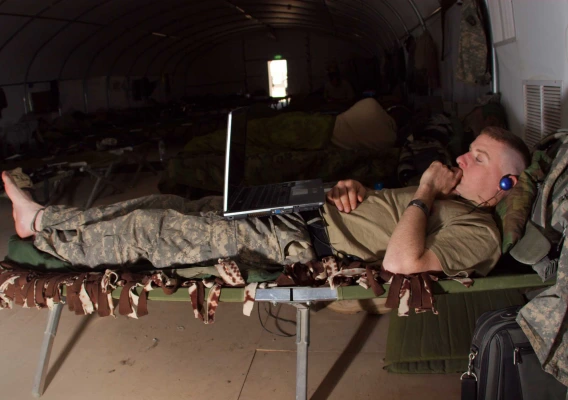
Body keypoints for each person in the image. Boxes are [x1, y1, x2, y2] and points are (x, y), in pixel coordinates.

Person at [2, 127, 530, 278]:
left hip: (296, 241)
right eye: (469, 149)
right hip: (306, 209)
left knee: (151, 229)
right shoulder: (446, 196)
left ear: (504, 186)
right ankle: (45, 216)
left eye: (478, 158)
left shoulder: (478, 233)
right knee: (169, 200)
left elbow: (401, 261)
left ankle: (47, 233)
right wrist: (354, 191)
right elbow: (381, 217)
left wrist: (423, 191)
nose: (462, 158)